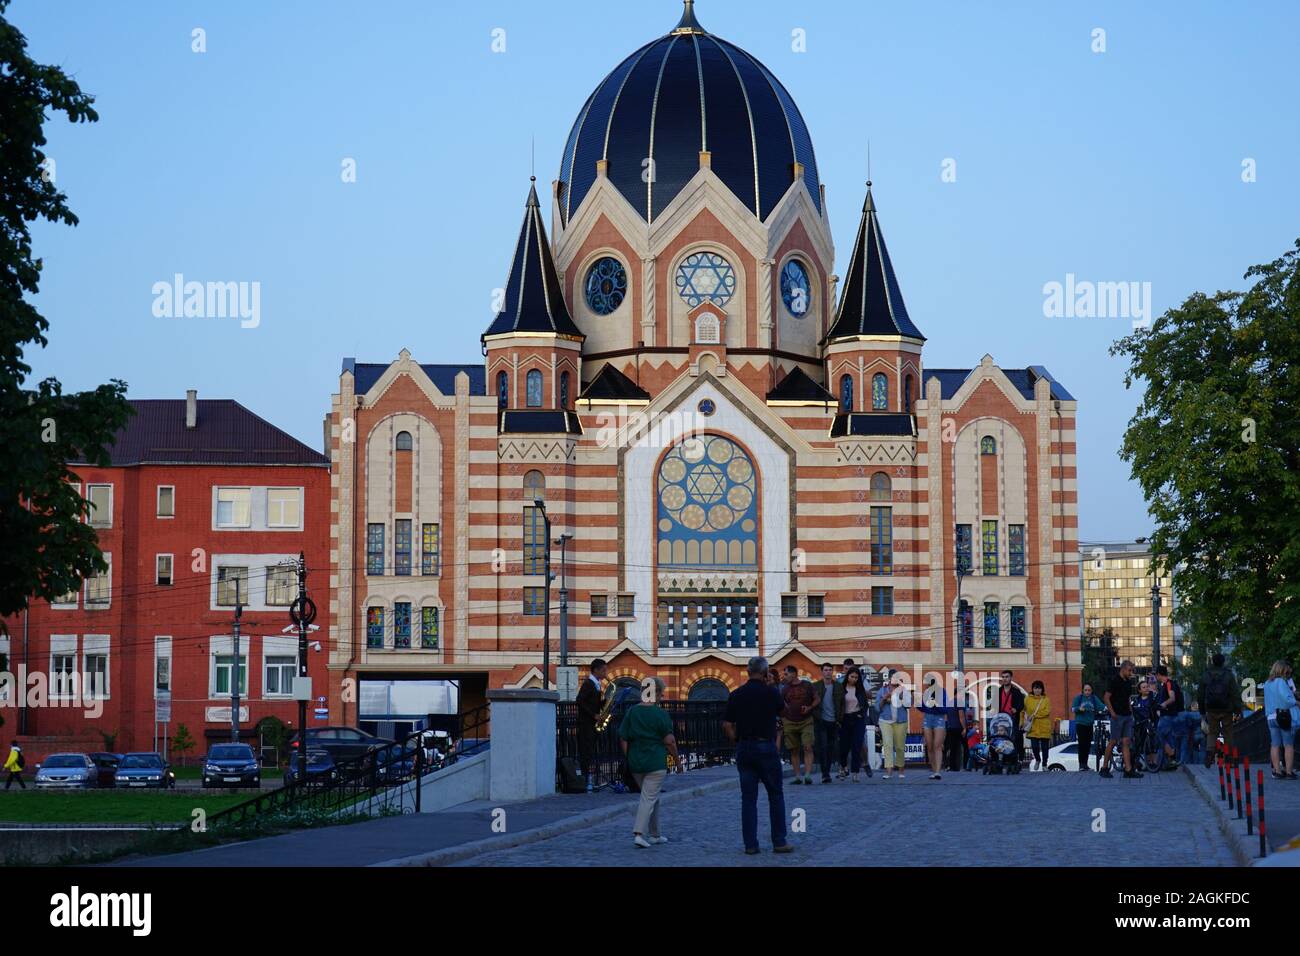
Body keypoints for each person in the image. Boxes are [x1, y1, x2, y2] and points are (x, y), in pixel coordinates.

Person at [722, 657, 793, 855]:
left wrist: (737, 740)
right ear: (765, 672)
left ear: (747, 671)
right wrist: (773, 687)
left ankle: (750, 845)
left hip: (745, 747)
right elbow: (786, 712)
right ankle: (779, 841)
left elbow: (727, 724)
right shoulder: (771, 692)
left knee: (748, 798)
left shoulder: (736, 694)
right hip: (766, 746)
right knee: (775, 794)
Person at [617, 676, 682, 848]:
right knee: (648, 798)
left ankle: (655, 834)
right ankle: (639, 833)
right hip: (655, 762)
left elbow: (623, 737)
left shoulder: (632, 711)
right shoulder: (660, 714)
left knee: (652, 797)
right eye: (661, 694)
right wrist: (677, 761)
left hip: (636, 763)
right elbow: (670, 741)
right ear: (657, 693)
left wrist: (628, 757)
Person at [1101, 660, 1140, 778]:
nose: (1130, 672)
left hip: (1127, 715)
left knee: (1126, 742)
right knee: (1113, 741)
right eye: (1129, 670)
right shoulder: (1115, 681)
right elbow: (1106, 697)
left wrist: (1131, 712)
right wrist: (1112, 713)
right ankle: (1104, 768)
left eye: (1131, 670)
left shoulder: (1128, 682)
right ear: (1122, 669)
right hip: (1117, 715)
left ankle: (1128, 770)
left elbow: (1127, 698)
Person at [1198, 653, 1238, 767]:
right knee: (1228, 733)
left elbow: (1200, 694)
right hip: (1226, 709)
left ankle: (1209, 753)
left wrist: (1202, 710)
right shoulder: (1228, 675)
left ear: (1212, 662)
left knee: (1212, 732)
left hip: (1211, 709)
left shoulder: (1206, 675)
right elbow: (1235, 693)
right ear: (1223, 662)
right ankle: (1229, 759)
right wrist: (1238, 709)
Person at [780, 666, 818, 785]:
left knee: (808, 747)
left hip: (806, 721)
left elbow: (817, 699)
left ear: (794, 674)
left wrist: (809, 707)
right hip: (790, 721)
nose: (784, 677)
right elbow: (781, 704)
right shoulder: (785, 689)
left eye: (786, 674)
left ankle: (807, 775)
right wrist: (783, 718)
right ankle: (797, 776)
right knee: (794, 749)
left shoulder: (807, 685)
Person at [576, 658, 609, 792]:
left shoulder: (596, 684)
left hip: (592, 724)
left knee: (591, 752)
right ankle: (585, 781)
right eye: (603, 670)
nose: (605, 673)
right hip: (586, 724)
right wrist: (594, 715)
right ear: (596, 670)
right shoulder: (588, 684)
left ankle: (590, 780)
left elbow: (593, 703)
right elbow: (580, 701)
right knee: (586, 753)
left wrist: (607, 702)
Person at [1264, 661, 1299, 780]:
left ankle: (1277, 772)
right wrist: (1296, 702)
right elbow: (1287, 699)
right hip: (1282, 716)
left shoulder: (1267, 683)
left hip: (1270, 717)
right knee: (1288, 744)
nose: (1287, 672)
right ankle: (1289, 772)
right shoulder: (1281, 682)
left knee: (1275, 744)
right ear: (1281, 670)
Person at [877, 669, 912, 779]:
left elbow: (908, 705)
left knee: (900, 746)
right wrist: (884, 698)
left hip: (900, 721)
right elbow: (877, 708)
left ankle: (901, 770)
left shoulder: (904, 690)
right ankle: (889, 771)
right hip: (885, 721)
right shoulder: (882, 690)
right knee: (887, 744)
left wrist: (901, 696)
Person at [837, 667, 869, 781]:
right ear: (848, 676)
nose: (854, 679)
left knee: (857, 746)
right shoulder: (841, 688)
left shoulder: (860, 690)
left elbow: (865, 704)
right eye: (852, 677)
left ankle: (855, 772)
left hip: (857, 719)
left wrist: (861, 715)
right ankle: (843, 767)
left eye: (856, 677)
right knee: (844, 746)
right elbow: (837, 704)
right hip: (845, 719)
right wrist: (838, 719)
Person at [813, 662, 843, 784]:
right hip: (820, 720)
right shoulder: (815, 686)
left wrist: (839, 719)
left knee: (831, 747)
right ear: (822, 671)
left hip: (833, 721)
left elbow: (842, 704)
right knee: (822, 746)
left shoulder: (838, 686)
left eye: (830, 670)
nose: (828, 672)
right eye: (826, 670)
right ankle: (825, 773)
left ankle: (827, 771)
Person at [1071, 683, 1106, 771]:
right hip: (1081, 723)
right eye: (1086, 690)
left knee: (1087, 744)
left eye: (1089, 690)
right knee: (1082, 744)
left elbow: (1101, 706)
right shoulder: (1079, 698)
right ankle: (1081, 765)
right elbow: (1072, 709)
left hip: (1089, 724)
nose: (1087, 692)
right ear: (1083, 690)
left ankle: (1085, 764)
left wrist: (1108, 708)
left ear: (1091, 691)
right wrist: (1079, 709)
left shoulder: (1094, 698)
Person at [918, 677, 948, 780]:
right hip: (927, 718)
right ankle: (934, 770)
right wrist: (917, 703)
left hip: (939, 718)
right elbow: (922, 708)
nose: (926, 686)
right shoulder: (926, 692)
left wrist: (936, 704)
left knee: (937, 746)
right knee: (929, 746)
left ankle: (938, 771)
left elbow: (946, 709)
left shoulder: (942, 692)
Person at [996, 670, 1026, 762]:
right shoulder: (998, 691)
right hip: (1002, 719)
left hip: (1013, 718)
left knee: (1016, 738)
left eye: (1007, 677)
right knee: (1003, 739)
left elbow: (1022, 704)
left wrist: (1016, 709)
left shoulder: (1016, 692)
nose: (1005, 679)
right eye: (1003, 677)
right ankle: (1004, 758)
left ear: (1011, 678)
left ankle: (1019, 758)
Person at [1023, 681, 1052, 771]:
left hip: (1044, 726)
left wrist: (1035, 715)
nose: (1037, 690)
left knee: (1045, 748)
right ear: (1032, 689)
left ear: (1042, 689)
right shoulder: (1027, 699)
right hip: (1033, 726)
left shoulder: (1046, 699)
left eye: (1039, 688)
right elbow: (1023, 710)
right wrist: (1022, 722)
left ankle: (1044, 764)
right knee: (1034, 746)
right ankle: (1038, 760)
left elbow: (1047, 712)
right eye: (1035, 688)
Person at [943, 691, 966, 772]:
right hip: (958, 727)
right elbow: (961, 716)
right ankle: (962, 766)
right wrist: (964, 728)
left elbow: (945, 717)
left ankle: (950, 766)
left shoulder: (949, 703)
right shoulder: (959, 702)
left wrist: (946, 727)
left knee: (951, 747)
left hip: (949, 728)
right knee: (962, 747)